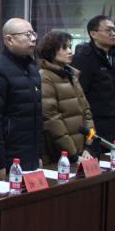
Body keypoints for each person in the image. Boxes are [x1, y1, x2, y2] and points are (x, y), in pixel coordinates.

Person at [0, 18, 43, 179]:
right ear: (9, 39)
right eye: (27, 34)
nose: (33, 39)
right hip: (9, 159)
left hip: (30, 156)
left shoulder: (32, 69)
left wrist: (38, 154)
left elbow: (37, 116)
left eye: (33, 34)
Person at [37, 30, 95, 164]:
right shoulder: (44, 76)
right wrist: (73, 155)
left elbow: (86, 113)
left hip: (82, 151)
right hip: (60, 155)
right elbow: (52, 120)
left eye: (70, 47)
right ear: (51, 51)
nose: (70, 51)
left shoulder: (72, 75)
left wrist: (89, 146)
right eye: (64, 48)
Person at [71, 15, 115, 143]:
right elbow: (79, 97)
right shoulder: (83, 58)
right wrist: (88, 136)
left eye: (114, 30)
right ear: (93, 34)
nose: (113, 33)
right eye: (108, 30)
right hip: (96, 128)